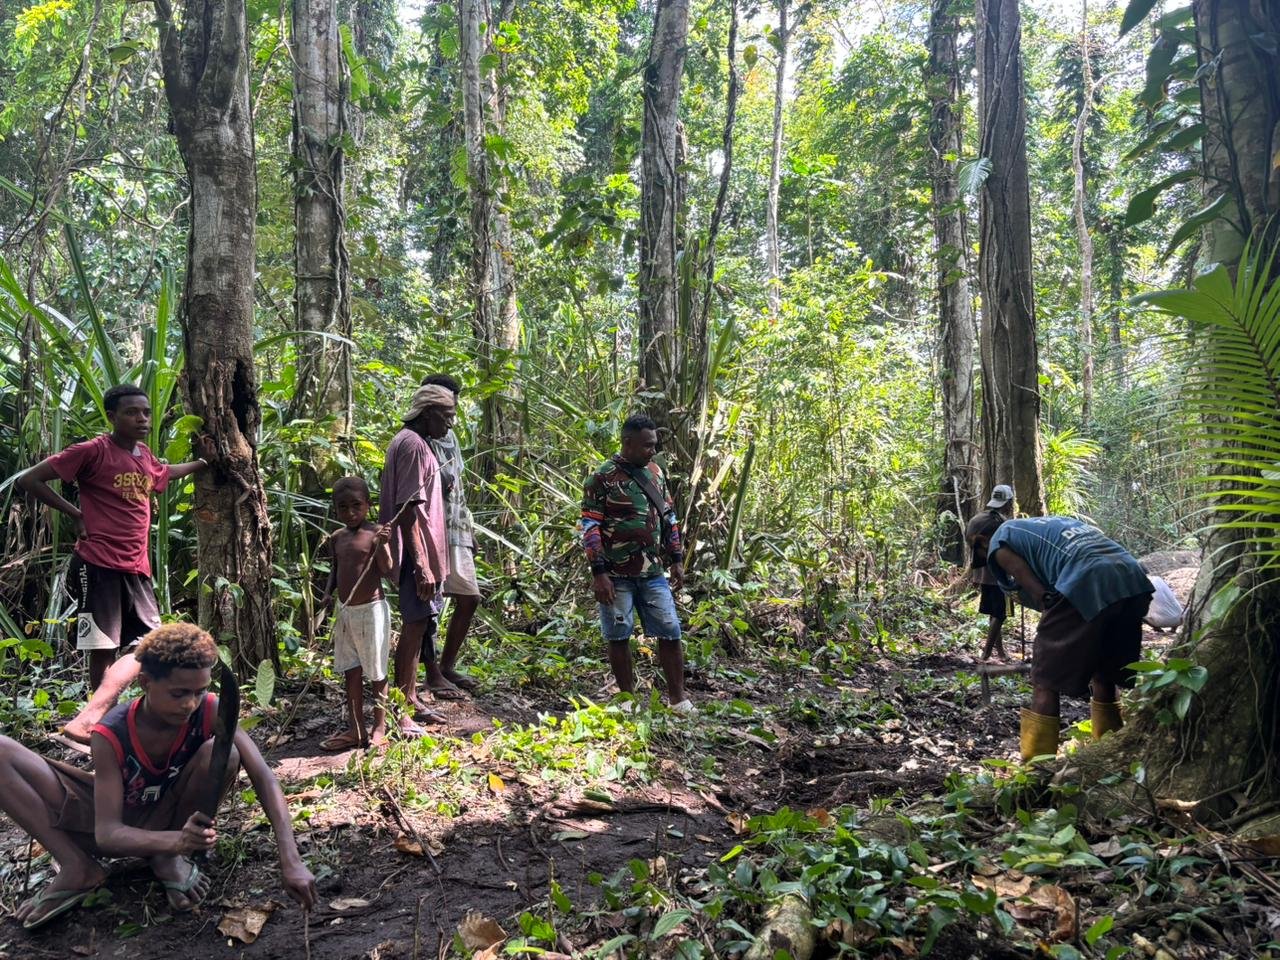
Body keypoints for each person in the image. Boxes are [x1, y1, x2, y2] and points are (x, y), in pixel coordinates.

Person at [0, 623, 317, 929]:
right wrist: (176, 841)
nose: (189, 704)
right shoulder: (112, 731)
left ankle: (167, 860)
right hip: (118, 825)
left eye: (200, 691)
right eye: (178, 693)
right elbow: (108, 833)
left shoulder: (209, 710)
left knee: (225, 752)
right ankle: (76, 865)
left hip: (171, 817)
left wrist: (290, 859)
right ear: (146, 683)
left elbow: (263, 775)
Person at [18, 384, 210, 740]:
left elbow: (166, 472)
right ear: (112, 417)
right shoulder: (92, 451)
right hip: (97, 562)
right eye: (132, 412)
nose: (141, 419)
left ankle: (94, 717)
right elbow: (31, 479)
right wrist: (75, 513)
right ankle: (97, 722)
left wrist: (205, 462)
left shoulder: (144, 456)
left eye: (146, 412)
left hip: (136, 566)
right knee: (103, 646)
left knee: (146, 644)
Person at [971, 516, 1155, 761]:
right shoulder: (1045, 524)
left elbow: (1042, 596)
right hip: (1132, 581)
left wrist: (1053, 634)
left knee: (1044, 681)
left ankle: (1036, 769)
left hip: (1086, 578)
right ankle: (1110, 754)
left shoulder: (999, 543)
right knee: (1105, 674)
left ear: (982, 540)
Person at [581, 414, 691, 713]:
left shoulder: (655, 473)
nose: (652, 451)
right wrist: (599, 573)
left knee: (670, 630)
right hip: (615, 575)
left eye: (654, 445)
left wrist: (677, 558)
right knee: (619, 634)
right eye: (646, 446)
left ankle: (678, 699)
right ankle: (628, 700)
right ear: (627, 443)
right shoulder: (601, 478)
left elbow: (669, 517)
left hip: (652, 572)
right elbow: (590, 528)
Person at [381, 383, 453, 733]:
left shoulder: (419, 444)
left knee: (420, 624)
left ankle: (408, 698)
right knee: (413, 628)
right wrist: (422, 563)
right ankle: (400, 710)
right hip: (415, 552)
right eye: (447, 416)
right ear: (428, 414)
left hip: (423, 549)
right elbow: (407, 509)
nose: (451, 424)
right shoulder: (411, 445)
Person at [317, 477, 394, 751]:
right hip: (346, 611)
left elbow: (386, 569)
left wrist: (382, 545)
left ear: (368, 505)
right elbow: (336, 570)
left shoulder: (376, 533)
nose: (350, 513)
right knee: (351, 670)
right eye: (343, 508)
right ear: (335, 509)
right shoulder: (337, 538)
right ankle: (356, 728)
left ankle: (380, 727)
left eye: (356, 506)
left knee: (376, 671)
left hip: (371, 611)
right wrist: (328, 593)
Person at [420, 374, 482, 693]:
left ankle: (446, 666)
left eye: (454, 401)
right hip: (432, 534)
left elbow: (458, 487)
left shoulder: (451, 437)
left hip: (456, 530)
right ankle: (432, 674)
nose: (451, 409)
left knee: (470, 598)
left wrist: (469, 530)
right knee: (430, 606)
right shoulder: (421, 439)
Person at [964, 485, 1015, 661]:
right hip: (1000, 574)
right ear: (1008, 502)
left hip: (981, 573)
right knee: (1000, 614)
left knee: (994, 613)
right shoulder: (1004, 524)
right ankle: (986, 654)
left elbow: (970, 543)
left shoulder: (975, 520)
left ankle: (1000, 651)